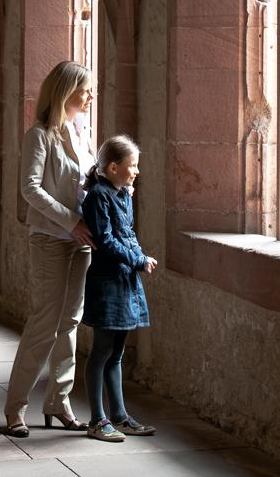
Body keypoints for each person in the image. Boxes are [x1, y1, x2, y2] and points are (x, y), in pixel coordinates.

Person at [2, 61, 97, 438]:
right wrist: (69, 221)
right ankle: (16, 406)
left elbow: (86, 179)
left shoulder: (83, 130)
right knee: (44, 323)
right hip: (50, 239)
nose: (90, 96)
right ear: (66, 91)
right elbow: (30, 189)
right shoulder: (39, 135)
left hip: (83, 241)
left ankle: (59, 401)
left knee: (71, 322)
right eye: (85, 89)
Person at [81, 134, 158, 442]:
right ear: (113, 167)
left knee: (116, 353)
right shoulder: (98, 195)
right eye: (132, 165)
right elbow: (105, 241)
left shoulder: (123, 193)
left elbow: (127, 233)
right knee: (101, 351)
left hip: (126, 279)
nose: (136, 170)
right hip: (107, 282)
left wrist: (141, 256)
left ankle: (120, 416)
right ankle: (97, 420)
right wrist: (136, 259)